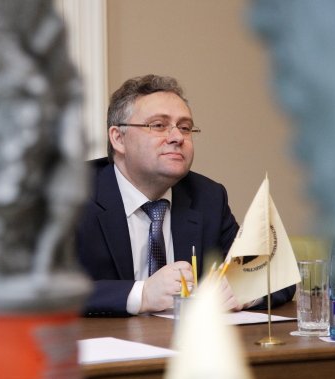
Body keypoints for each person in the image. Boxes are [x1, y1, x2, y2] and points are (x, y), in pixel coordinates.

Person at [76, 74, 295, 316]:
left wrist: (242, 289)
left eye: (185, 127)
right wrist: (142, 294)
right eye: (158, 125)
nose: (177, 137)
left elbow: (277, 275)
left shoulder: (207, 197)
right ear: (118, 138)